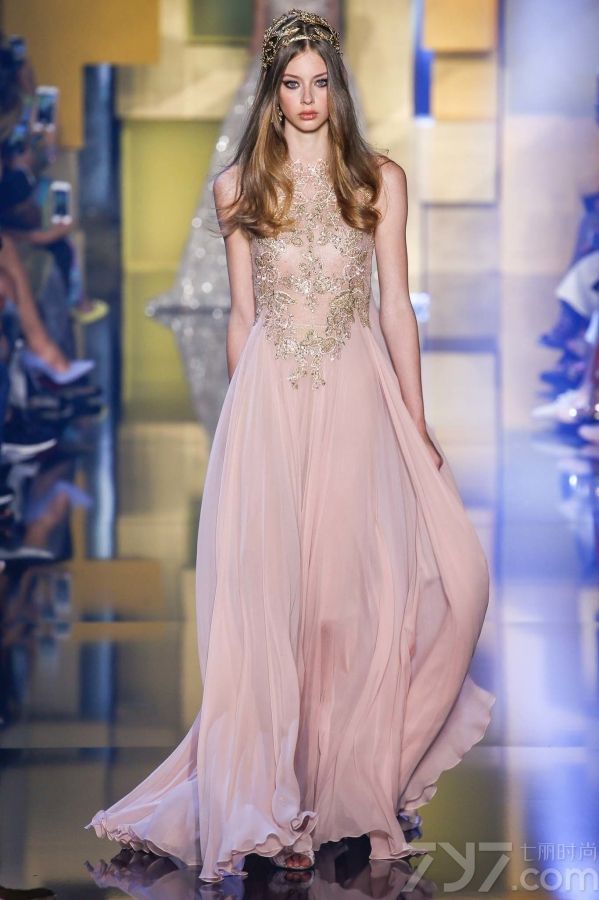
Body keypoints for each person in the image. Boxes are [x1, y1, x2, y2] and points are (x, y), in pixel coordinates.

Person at [85, 9, 495, 884]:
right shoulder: (237, 187)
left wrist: (416, 422)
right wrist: (239, 432)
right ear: (271, 95)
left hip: (355, 396)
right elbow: (241, 317)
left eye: (318, 83)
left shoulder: (377, 179)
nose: (306, 99)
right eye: (290, 84)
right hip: (271, 402)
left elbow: (394, 307)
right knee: (274, 607)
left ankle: (347, 781)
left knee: (364, 595)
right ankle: (273, 801)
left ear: (335, 89)